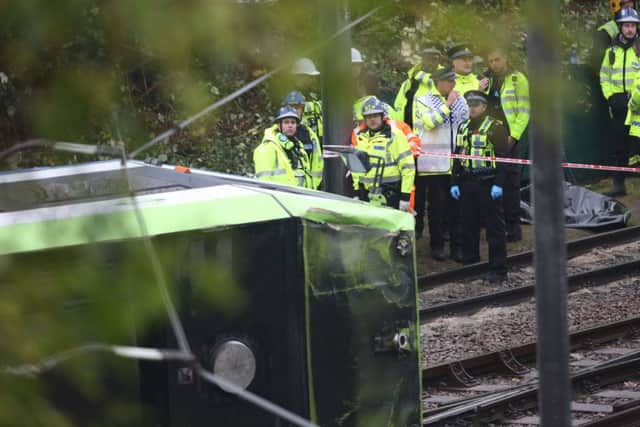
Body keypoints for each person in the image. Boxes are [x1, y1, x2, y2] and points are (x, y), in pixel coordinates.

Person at [451, 90, 510, 282]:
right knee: (468, 225)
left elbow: (504, 158)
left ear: (484, 107)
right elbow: (457, 156)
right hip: (467, 182)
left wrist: (499, 184)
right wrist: (454, 182)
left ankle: (498, 270)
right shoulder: (463, 127)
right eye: (469, 105)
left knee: (494, 228)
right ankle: (471, 265)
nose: (472, 108)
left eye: (476, 105)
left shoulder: (496, 127)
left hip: (488, 183)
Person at [413, 66, 469, 261]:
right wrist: (448, 104)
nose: (452, 85)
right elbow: (430, 123)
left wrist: (463, 149)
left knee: (457, 208)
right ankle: (436, 246)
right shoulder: (423, 100)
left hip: (454, 163)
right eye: (448, 81)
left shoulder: (460, 100)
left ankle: (457, 248)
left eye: (453, 81)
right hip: (433, 164)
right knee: (437, 209)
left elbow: (464, 125)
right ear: (438, 82)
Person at [479, 46, 530, 242]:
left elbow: (524, 111)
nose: (494, 64)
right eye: (491, 61)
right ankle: (493, 225)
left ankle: (513, 227)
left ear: (506, 58)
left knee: (511, 183)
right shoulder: (486, 81)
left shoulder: (518, 79)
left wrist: (514, 136)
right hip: (489, 135)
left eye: (497, 60)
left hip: (509, 136)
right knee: (490, 180)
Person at [600, 7, 640, 196]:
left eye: (633, 25)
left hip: (637, 105)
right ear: (620, 28)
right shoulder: (611, 51)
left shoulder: (639, 49)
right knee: (620, 145)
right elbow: (604, 76)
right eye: (627, 26)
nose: (630, 29)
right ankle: (619, 184)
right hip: (618, 104)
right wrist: (610, 96)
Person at [352, 97, 416, 211]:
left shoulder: (394, 136)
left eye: (375, 116)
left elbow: (408, 168)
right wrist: (357, 191)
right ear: (364, 119)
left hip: (390, 193)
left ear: (382, 116)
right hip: (366, 194)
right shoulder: (360, 137)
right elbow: (357, 169)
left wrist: (405, 197)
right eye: (369, 117)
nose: (372, 120)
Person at [253, 106, 312, 188]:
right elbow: (264, 181)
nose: (290, 125)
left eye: (293, 122)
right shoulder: (268, 148)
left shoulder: (298, 146)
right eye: (286, 122)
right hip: (282, 197)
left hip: (302, 197)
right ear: (278, 125)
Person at [282, 91, 324, 189]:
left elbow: (317, 164)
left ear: (303, 109)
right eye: (291, 107)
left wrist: (314, 188)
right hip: (285, 189)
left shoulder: (309, 134)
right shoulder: (276, 134)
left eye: (297, 107)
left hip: (307, 190)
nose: (294, 110)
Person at [394, 46, 442, 127]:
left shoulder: (445, 80)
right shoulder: (409, 82)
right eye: (428, 59)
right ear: (423, 60)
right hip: (410, 130)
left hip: (436, 129)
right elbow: (399, 106)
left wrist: (420, 76)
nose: (430, 63)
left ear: (439, 61)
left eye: (434, 59)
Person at [291, 57, 324, 142]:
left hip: (317, 139)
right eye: (309, 77)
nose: (313, 80)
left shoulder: (313, 95)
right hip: (302, 139)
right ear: (300, 77)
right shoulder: (293, 98)